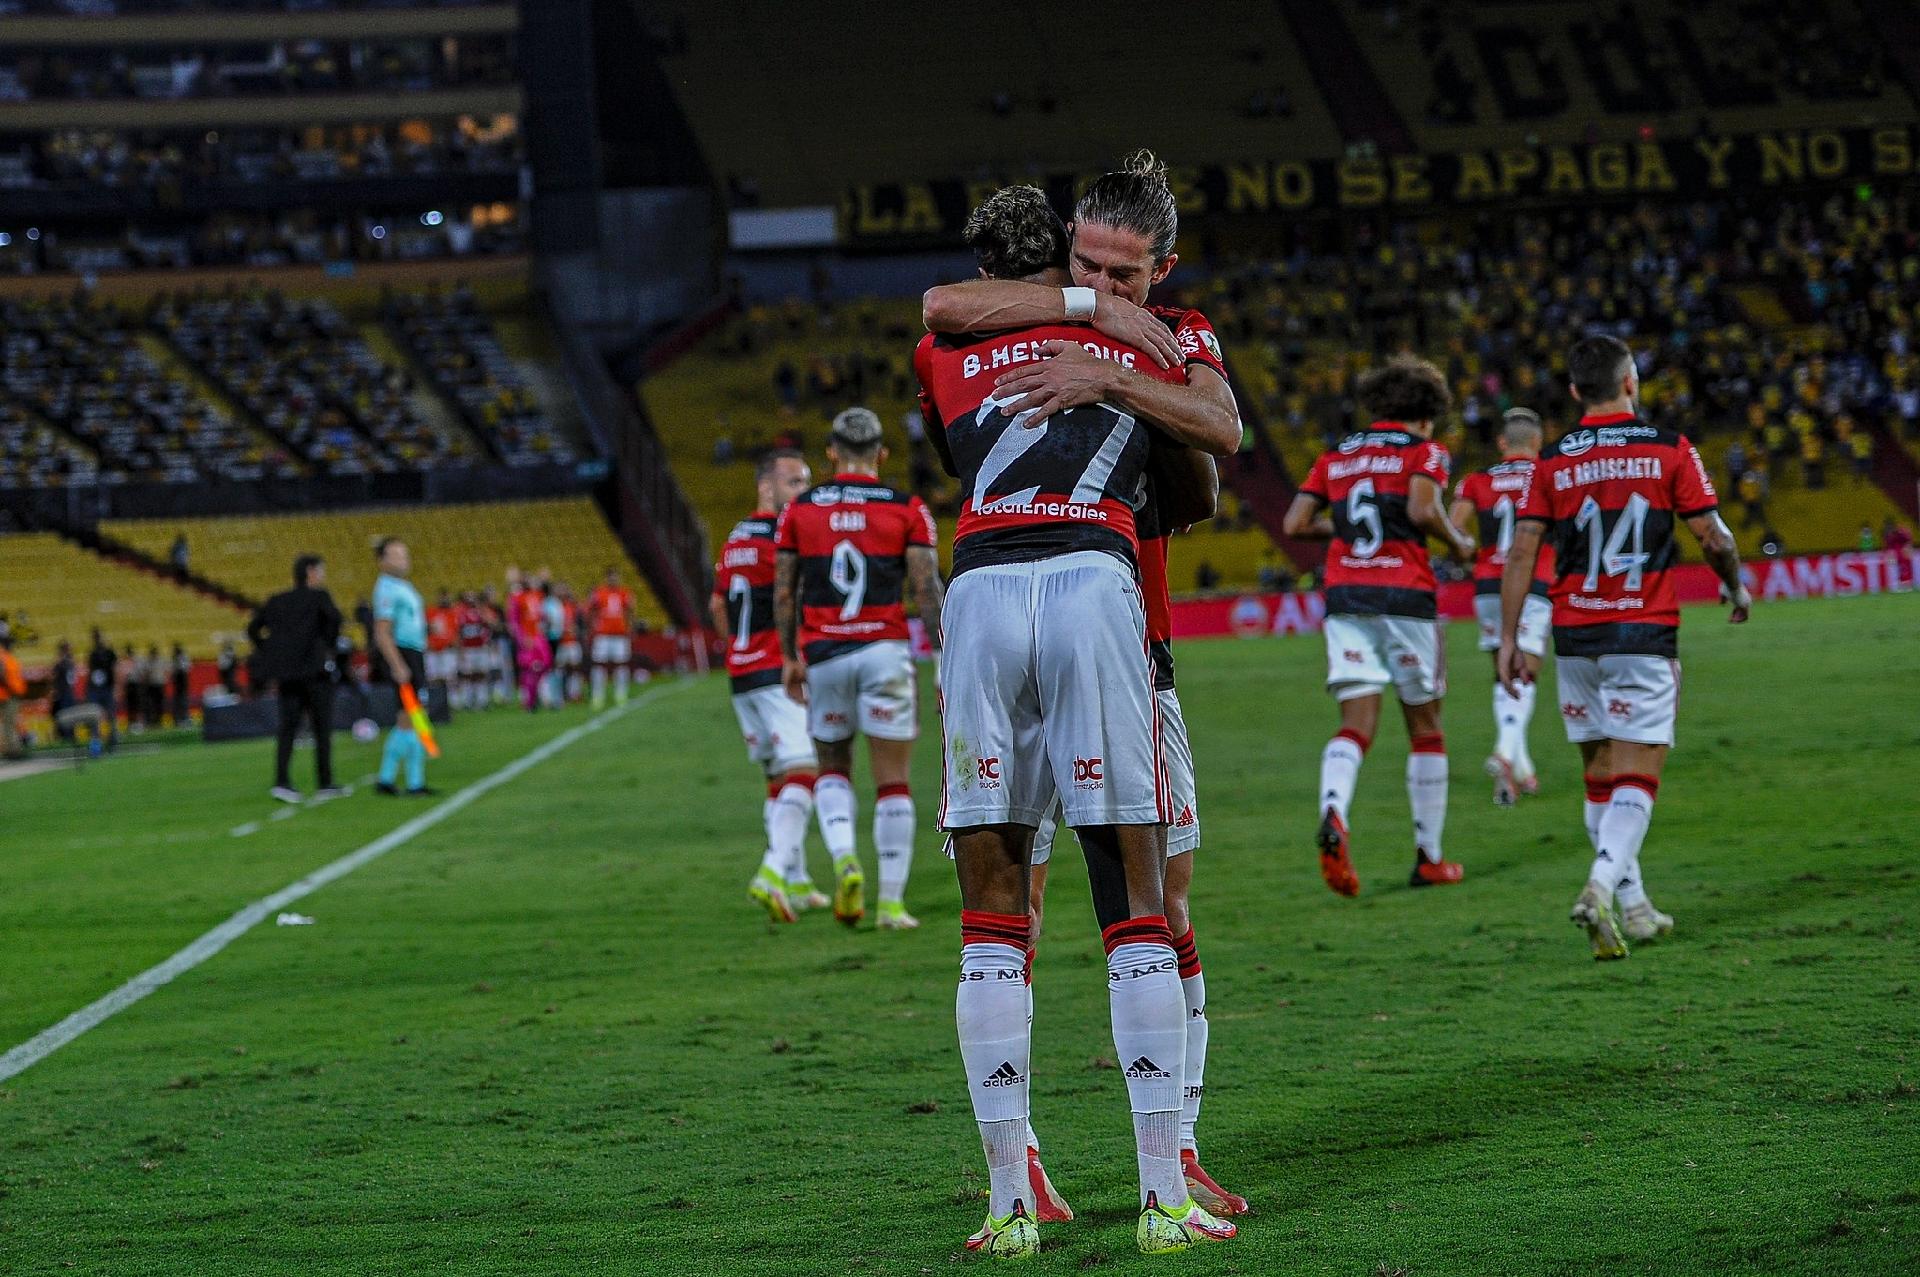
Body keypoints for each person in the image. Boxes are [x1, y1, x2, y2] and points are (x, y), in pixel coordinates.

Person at [919, 169, 1248, 1242]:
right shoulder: (1150, 330)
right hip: (1095, 593)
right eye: (1087, 266)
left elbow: (1207, 452)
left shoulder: (978, 346)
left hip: (997, 589)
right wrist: (1106, 331)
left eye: (1123, 273)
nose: (1106, 283)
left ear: (1164, 265)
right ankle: (1145, 1189)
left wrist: (1106, 372)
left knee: (1007, 907)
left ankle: (1058, 1188)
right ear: (1063, 256)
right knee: (1131, 898)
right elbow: (1205, 461)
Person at [1499, 334, 1751, 960]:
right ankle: (1602, 886)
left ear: (1577, 393)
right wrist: (1735, 586)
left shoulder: (1552, 462)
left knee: (1598, 774)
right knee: (1639, 774)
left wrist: (1510, 638)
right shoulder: (1670, 449)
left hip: (1576, 636)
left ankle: (1635, 908)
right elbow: (1713, 538)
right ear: (1631, 383)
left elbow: (1524, 551)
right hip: (1643, 632)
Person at [1282, 355, 1476, 896]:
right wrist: (1458, 542)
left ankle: (1334, 810)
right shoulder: (1425, 451)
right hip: (1405, 595)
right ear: (1425, 414)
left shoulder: (1337, 456)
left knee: (1355, 723)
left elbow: (1295, 523)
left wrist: (1344, 529)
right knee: (1426, 725)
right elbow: (1420, 509)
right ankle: (1430, 857)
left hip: (1346, 595)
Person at [772, 407, 944, 931]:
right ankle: (891, 903)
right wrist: (941, 658)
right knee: (893, 779)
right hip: (884, 651)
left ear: (830, 453)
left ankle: (846, 860)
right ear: (881, 454)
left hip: (825, 654)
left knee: (833, 766)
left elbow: (784, 592)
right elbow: (926, 591)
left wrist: (788, 656)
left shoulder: (800, 510)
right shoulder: (907, 508)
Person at [711, 449, 829, 922]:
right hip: (774, 669)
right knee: (806, 770)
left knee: (777, 777)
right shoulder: (779, 540)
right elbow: (792, 597)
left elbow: (718, 605)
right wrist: (790, 655)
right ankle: (772, 870)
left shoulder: (733, 539)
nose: (803, 491)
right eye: (794, 483)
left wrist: (736, 651)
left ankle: (797, 882)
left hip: (740, 672)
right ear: (766, 487)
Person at [1449, 407, 1555, 804]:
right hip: (1533, 579)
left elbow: (1455, 529)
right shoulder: (1549, 476)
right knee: (1524, 672)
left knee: (1502, 673)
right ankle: (1505, 751)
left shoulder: (1477, 480)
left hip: (1489, 583)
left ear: (1501, 444)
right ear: (1538, 443)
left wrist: (1469, 556)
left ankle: (1518, 769)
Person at [248, 553, 345, 803]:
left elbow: (252, 629)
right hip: (316, 673)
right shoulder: (320, 597)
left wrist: (271, 651)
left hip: (288, 675)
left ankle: (282, 782)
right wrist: (326, 646)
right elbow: (335, 621)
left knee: (287, 728)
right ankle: (325, 782)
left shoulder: (277, 601)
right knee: (321, 728)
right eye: (321, 571)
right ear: (311, 572)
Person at [370, 538, 432, 797]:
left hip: (413, 652)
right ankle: (412, 782)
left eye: (404, 554)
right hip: (403, 653)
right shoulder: (386, 589)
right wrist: (397, 664)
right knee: (411, 718)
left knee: (413, 717)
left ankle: (390, 779)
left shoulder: (401, 585)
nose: (403, 560)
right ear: (382, 561)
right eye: (395, 555)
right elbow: (382, 632)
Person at [587, 568, 637, 708]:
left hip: (620, 635)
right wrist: (593, 627)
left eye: (616, 577)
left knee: (621, 666)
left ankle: (621, 694)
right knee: (599, 666)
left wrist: (630, 628)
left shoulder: (625, 593)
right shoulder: (599, 593)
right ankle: (597, 696)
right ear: (606, 578)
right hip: (602, 635)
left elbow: (630, 611)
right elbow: (590, 610)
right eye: (611, 577)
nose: (613, 580)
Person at [86, 628, 118, 749]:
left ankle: (113, 741)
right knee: (94, 717)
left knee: (111, 716)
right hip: (95, 689)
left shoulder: (110, 653)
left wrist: (116, 687)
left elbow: (115, 670)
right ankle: (96, 744)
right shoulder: (92, 653)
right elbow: (90, 672)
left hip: (107, 688)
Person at [425, 590, 459, 702]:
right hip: (433, 650)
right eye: (443, 597)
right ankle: (436, 700)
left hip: (447, 649)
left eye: (447, 597)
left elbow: (455, 631)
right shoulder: (431, 612)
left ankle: (451, 700)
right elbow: (425, 629)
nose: (445, 600)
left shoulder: (452, 613)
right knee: (433, 677)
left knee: (450, 676)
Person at [0, 630, 26, 760]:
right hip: (7, 695)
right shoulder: (2, 656)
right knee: (9, 723)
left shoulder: (6, 656)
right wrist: (12, 689)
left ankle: (10, 749)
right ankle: (12, 751)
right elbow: (2, 676)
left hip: (9, 694)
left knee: (9, 723)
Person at [170, 642, 191, 725]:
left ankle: (184, 717)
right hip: (178, 681)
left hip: (182, 680)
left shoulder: (183, 657)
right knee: (178, 700)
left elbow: (187, 668)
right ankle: (178, 718)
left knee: (183, 700)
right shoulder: (174, 658)